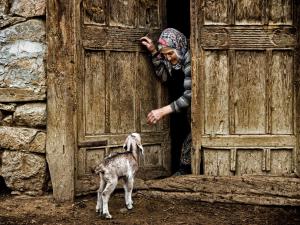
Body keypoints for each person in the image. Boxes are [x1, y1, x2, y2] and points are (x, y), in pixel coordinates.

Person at [140, 28, 191, 176]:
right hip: (178, 108)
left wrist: (162, 111)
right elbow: (164, 77)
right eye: (165, 55)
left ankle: (184, 171)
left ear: (179, 47)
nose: (168, 58)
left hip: (188, 107)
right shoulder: (172, 60)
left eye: (170, 53)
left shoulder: (189, 60)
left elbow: (189, 96)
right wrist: (154, 52)